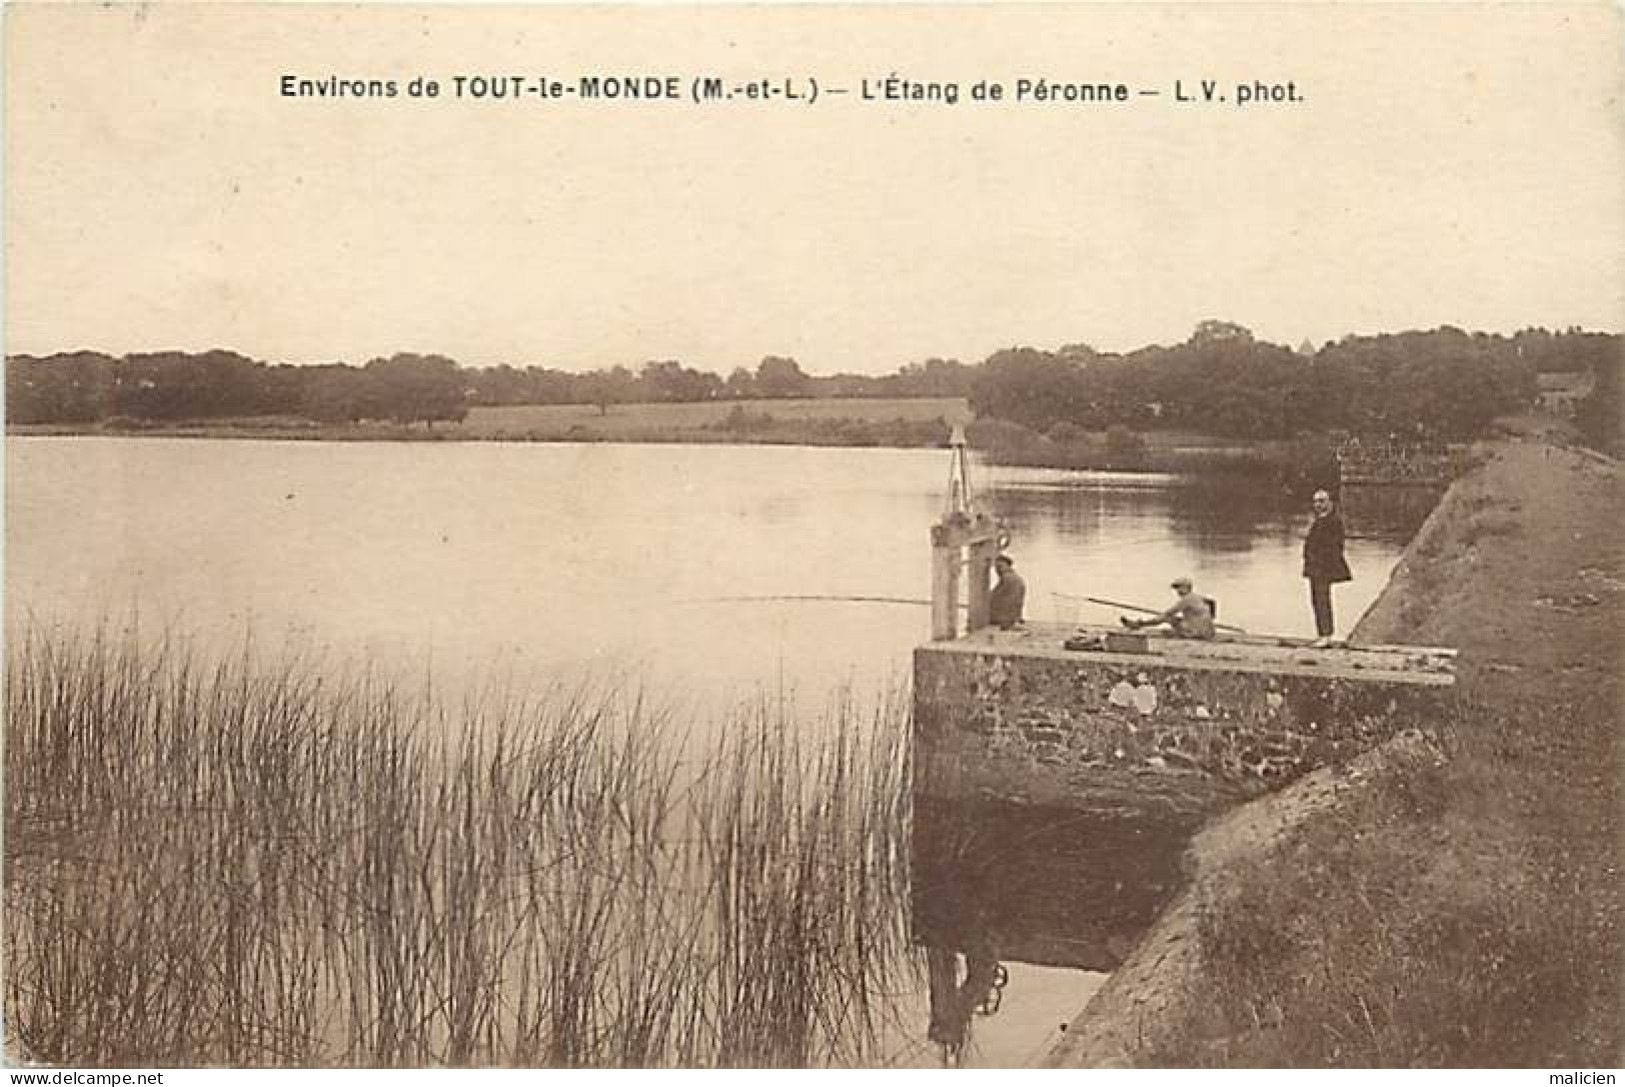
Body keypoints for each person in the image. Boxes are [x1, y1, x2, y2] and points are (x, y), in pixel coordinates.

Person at [1302, 488, 1353, 647]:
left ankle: (1326, 635)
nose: (1318, 505)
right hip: (1315, 567)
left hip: (1323, 567)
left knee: (1322, 599)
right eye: (1316, 501)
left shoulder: (1333, 521)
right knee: (1317, 599)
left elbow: (1335, 546)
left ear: (1330, 503)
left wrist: (1320, 561)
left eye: (1322, 501)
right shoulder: (1320, 520)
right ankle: (1323, 634)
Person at [1121, 577, 1215, 639]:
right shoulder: (1197, 597)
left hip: (1198, 634)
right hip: (1209, 632)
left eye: (1179, 588)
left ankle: (1138, 624)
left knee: (1167, 618)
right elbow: (1212, 602)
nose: (1177, 591)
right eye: (1176, 588)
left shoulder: (1186, 600)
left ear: (1186, 588)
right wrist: (1212, 618)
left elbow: (1168, 614)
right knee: (1178, 619)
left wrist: (1146, 622)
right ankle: (1139, 624)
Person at [989, 554, 1026, 629]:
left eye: (1000, 567)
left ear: (1008, 566)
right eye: (996, 568)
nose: (997, 570)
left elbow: (995, 597)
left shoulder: (1007, 578)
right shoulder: (1017, 577)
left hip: (1005, 618)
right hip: (1014, 616)